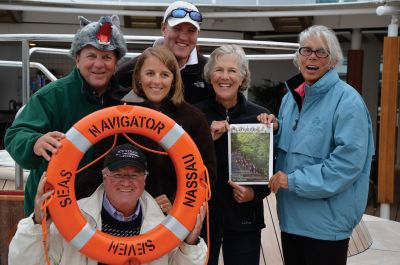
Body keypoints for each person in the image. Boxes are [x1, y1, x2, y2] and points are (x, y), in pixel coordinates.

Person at [259, 25, 374, 265]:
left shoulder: (348, 101)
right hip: (291, 219)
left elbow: (346, 165)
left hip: (326, 225)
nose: (312, 56)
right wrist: (274, 130)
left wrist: (292, 180)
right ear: (298, 57)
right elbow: (289, 149)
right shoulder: (290, 99)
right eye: (306, 50)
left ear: (333, 61)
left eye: (321, 52)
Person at [4, 15, 127, 215]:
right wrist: (35, 142)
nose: (99, 64)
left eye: (106, 57)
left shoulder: (124, 100)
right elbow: (15, 134)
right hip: (53, 202)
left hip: (105, 205)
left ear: (116, 63)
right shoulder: (52, 96)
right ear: (77, 59)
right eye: (91, 56)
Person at [8, 144, 207, 265]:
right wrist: (37, 224)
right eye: (118, 174)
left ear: (145, 179)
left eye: (134, 175)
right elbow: (22, 262)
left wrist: (189, 245)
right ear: (104, 177)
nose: (126, 181)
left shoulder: (165, 226)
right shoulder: (72, 218)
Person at [86, 45, 217, 215]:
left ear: (174, 80)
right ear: (139, 76)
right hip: (125, 214)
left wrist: (177, 203)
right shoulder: (117, 113)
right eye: (150, 73)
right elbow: (98, 168)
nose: (156, 81)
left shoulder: (193, 118)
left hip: (172, 216)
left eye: (164, 75)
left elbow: (207, 174)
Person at [195, 44, 271, 265]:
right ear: (210, 75)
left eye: (232, 70)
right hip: (203, 219)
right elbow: (182, 163)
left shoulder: (260, 117)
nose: (224, 77)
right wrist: (206, 138)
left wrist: (254, 194)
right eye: (218, 70)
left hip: (245, 218)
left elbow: (270, 169)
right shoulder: (195, 114)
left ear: (243, 76)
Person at [116, 0, 213, 104]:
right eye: (177, 29)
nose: (184, 37)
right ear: (163, 28)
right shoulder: (130, 70)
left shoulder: (210, 72)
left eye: (191, 31)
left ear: (198, 33)